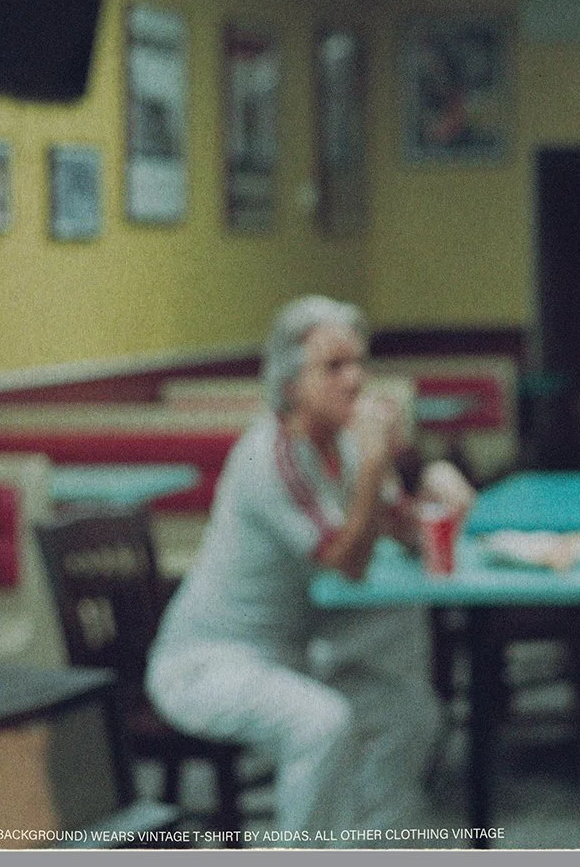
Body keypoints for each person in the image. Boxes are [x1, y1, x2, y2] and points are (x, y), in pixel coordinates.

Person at [146, 295, 468, 845]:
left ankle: (376, 843)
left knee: (409, 712)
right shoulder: (269, 457)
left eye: (359, 364)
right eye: (334, 367)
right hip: (206, 664)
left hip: (289, 658)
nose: (355, 381)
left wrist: (440, 491)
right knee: (320, 725)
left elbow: (401, 530)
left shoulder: (342, 444)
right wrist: (372, 463)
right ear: (290, 383)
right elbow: (347, 562)